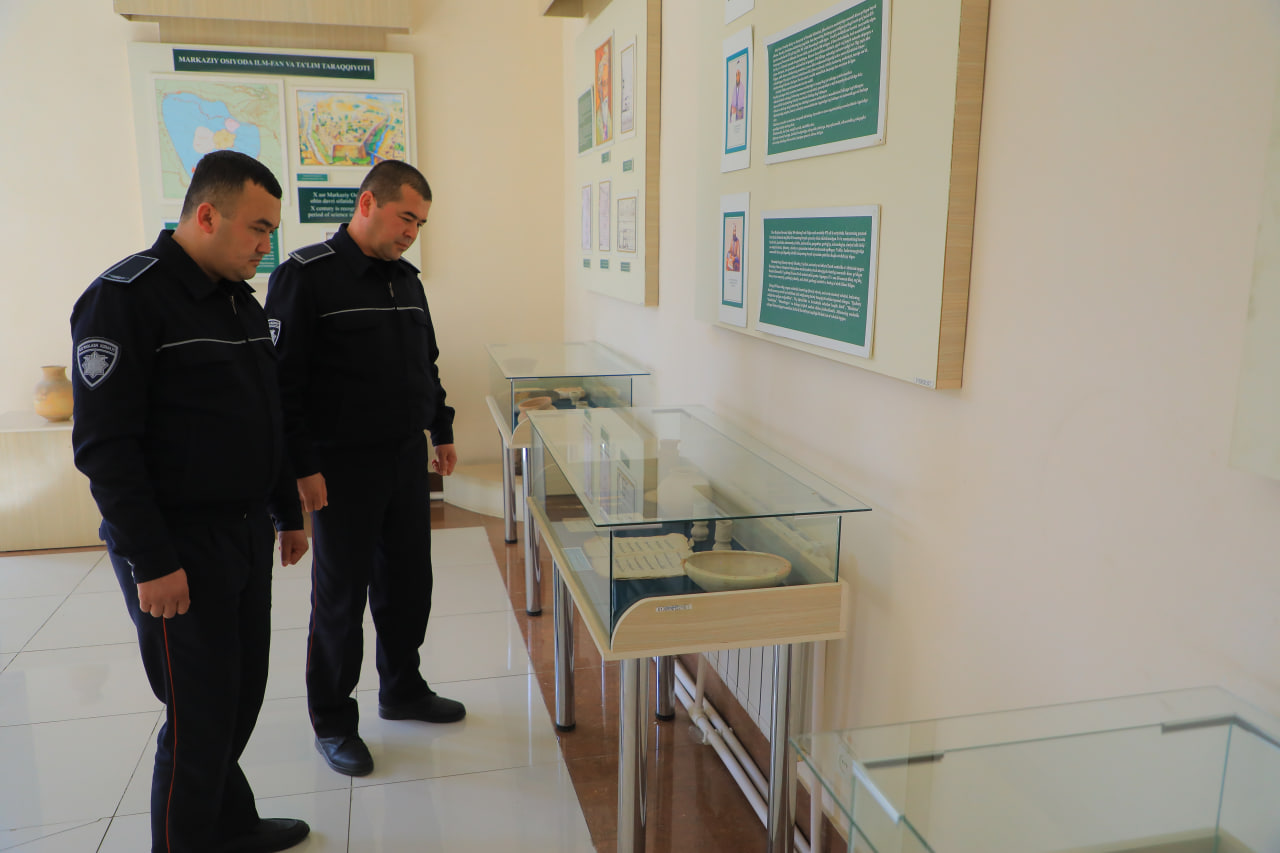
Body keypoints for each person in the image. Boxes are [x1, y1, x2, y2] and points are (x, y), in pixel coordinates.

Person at [71, 150, 310, 853]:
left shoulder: (239, 298)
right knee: (199, 713)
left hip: (244, 532)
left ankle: (229, 825)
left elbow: (266, 415)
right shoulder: (125, 298)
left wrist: (287, 511)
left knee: (240, 694)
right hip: (177, 542)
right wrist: (151, 559)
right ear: (207, 214)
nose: (267, 247)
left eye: (272, 232)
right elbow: (106, 448)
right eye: (258, 229)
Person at [265, 160, 462, 778]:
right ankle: (332, 721)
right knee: (341, 598)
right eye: (406, 218)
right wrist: (302, 467)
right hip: (340, 467)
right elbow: (283, 384)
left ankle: (402, 688)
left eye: (420, 224)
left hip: (404, 458)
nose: (412, 233)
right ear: (368, 203)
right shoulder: (306, 275)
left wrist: (441, 427)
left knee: (408, 584)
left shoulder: (406, 280)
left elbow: (426, 363)